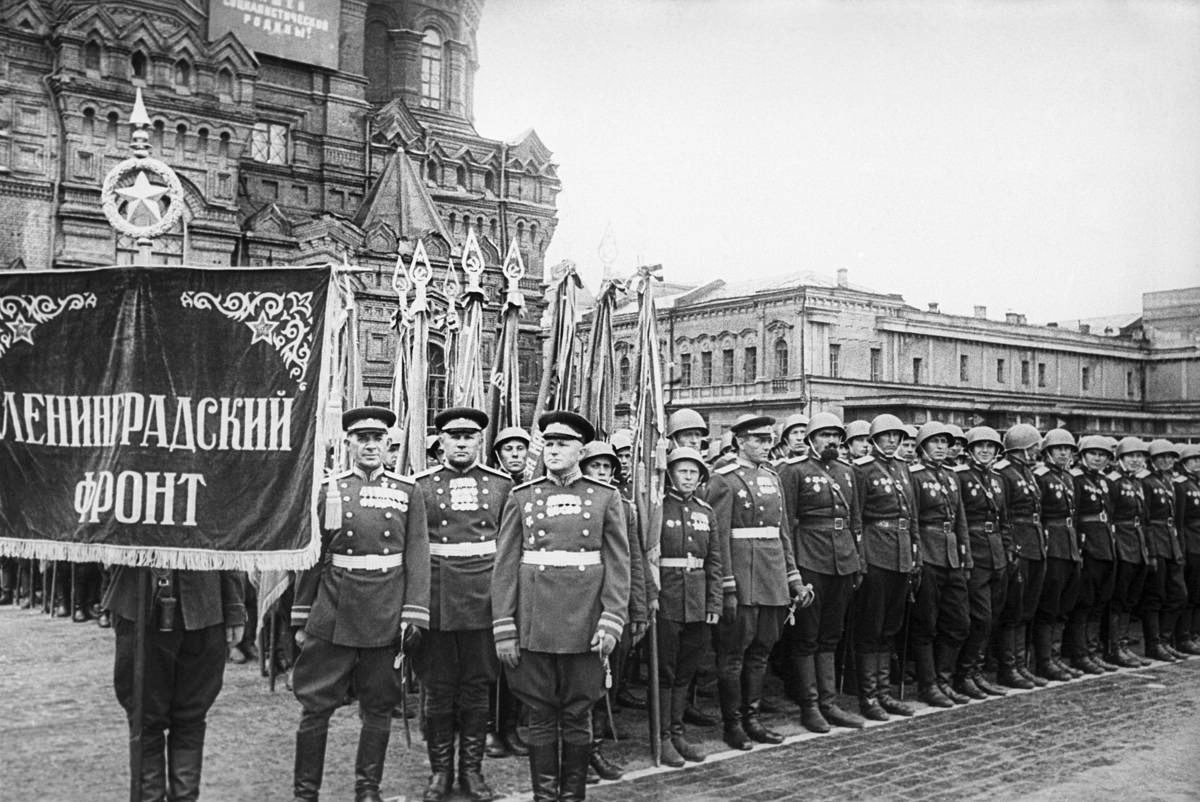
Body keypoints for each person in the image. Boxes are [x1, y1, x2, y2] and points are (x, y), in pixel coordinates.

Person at [290, 406, 431, 802]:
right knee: (315, 704)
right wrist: (302, 616)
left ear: (389, 444)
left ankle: (368, 789)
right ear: (348, 442)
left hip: (385, 611)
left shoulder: (407, 491)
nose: (370, 445)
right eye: (362, 438)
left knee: (379, 705)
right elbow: (312, 558)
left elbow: (417, 557)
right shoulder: (328, 489)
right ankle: (306, 792)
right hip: (334, 608)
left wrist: (413, 613)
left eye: (378, 439)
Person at [492, 411, 630, 802]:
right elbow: (504, 566)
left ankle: (573, 796)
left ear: (581, 450)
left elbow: (619, 565)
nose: (553, 450)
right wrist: (504, 625)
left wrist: (611, 619)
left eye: (563, 444)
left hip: (585, 623)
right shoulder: (523, 496)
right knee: (539, 713)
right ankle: (544, 795)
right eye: (549, 443)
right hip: (534, 622)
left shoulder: (605, 497)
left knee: (577, 712)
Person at [413, 407, 513, 802]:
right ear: (441, 441)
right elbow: (414, 552)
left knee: (475, 690)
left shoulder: (501, 486)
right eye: (453, 435)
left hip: (483, 602)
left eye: (469, 436)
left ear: (479, 441)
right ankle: (440, 773)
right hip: (437, 602)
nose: (461, 442)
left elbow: (508, 552)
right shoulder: (421, 486)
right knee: (437, 691)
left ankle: (472, 771)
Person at [707, 413, 813, 750]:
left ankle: (753, 719)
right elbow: (718, 538)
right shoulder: (723, 480)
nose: (766, 446)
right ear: (739, 441)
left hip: (770, 578)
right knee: (734, 654)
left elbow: (782, 533)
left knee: (762, 652)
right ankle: (733, 724)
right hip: (740, 575)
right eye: (758, 440)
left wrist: (792, 578)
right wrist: (726, 584)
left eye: (769, 439)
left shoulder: (772, 477)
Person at [104, 564, 245, 801]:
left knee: (191, 716)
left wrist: (234, 607)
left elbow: (229, 538)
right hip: (139, 602)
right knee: (144, 718)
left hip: (204, 605)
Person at [776, 412, 864, 733]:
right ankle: (810, 705)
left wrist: (858, 562)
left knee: (831, 634)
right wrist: (792, 572)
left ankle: (829, 702)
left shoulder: (847, 472)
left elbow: (855, 521)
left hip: (843, 559)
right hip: (809, 559)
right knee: (807, 637)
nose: (830, 440)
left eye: (835, 435)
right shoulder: (794, 471)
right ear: (811, 439)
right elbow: (786, 522)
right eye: (823, 435)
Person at [578, 440, 647, 781]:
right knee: (580, 684)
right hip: (579, 606)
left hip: (613, 606)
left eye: (607, 468)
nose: (602, 473)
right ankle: (577, 752)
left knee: (608, 682)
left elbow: (631, 560)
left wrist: (638, 610)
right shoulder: (572, 502)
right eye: (596, 467)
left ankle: (596, 747)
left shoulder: (625, 507)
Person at [653, 447, 722, 765]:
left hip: (697, 601)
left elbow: (715, 562)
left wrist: (714, 601)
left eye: (694, 472)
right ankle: (662, 737)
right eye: (682, 471)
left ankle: (678, 733)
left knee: (685, 672)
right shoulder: (657, 508)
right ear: (670, 474)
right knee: (664, 672)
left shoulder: (706, 512)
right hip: (666, 599)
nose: (688, 477)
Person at [851, 413, 920, 721]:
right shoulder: (862, 470)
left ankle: (884, 691)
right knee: (871, 627)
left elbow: (912, 516)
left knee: (890, 627)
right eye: (887, 436)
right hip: (876, 553)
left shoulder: (904, 468)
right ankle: (868, 696)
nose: (893, 440)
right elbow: (857, 518)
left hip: (902, 554)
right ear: (874, 439)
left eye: (897, 436)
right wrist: (861, 559)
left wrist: (915, 553)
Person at [907, 421, 972, 706]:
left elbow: (960, 521)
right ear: (922, 447)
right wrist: (916, 556)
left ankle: (944, 679)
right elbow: (911, 520)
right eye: (935, 442)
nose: (941, 447)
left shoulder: (951, 476)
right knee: (926, 623)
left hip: (951, 555)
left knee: (959, 621)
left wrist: (965, 556)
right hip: (928, 553)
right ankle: (928, 685)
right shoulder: (914, 476)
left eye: (945, 442)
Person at [952, 426, 1011, 698]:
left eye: (991, 446)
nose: (985, 451)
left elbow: (1004, 519)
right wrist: (964, 554)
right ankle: (963, 674)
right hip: (974, 551)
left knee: (993, 616)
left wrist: (1008, 550)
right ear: (970, 450)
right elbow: (956, 519)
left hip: (996, 552)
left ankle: (976, 671)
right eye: (980, 446)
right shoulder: (960, 476)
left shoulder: (998, 479)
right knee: (979, 617)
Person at [486, 425, 533, 760]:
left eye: (520, 449)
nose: (515, 455)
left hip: (526, 580)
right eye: (509, 449)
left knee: (517, 661)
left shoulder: (533, 488)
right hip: (494, 575)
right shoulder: (493, 488)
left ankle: (511, 727)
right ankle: (489, 728)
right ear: (498, 454)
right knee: (492, 661)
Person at [993, 423, 1047, 689]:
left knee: (1027, 608)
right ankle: (1008, 667)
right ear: (1023, 448)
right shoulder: (1004, 473)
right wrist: (1010, 547)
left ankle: (1020, 665)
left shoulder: (1027, 472)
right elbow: (1002, 514)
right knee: (1013, 609)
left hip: (1033, 543)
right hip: (1017, 545)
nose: (1038, 450)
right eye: (1034, 446)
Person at [1062, 435, 1119, 674]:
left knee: (1099, 601)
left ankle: (1093, 650)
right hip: (1087, 545)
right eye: (1094, 453)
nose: (1098, 458)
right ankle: (1080, 653)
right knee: (1083, 603)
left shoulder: (1104, 481)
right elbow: (1072, 517)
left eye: (1103, 455)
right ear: (1083, 455)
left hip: (1105, 544)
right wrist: (1079, 547)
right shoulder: (1075, 479)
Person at [1031, 429, 1084, 681]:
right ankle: (1044, 661)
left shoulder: (1069, 477)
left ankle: (1055, 656)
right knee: (1049, 605)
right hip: (1052, 545)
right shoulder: (1040, 477)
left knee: (1065, 603)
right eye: (1059, 448)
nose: (1064, 453)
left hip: (1069, 544)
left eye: (1068, 449)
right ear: (1047, 452)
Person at [1138, 439, 1189, 661]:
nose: (1166, 461)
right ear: (1152, 460)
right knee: (1155, 595)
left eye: (1170, 457)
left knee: (1178, 594)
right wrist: (1149, 549)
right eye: (1161, 457)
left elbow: (1176, 518)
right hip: (1155, 541)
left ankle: (1166, 639)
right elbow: (1145, 518)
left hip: (1171, 541)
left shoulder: (1169, 483)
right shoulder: (1146, 482)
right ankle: (1154, 643)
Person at [1105, 437, 1152, 667]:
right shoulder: (1112, 481)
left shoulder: (1136, 482)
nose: (1136, 460)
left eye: (1140, 456)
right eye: (1131, 456)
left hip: (1137, 541)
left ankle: (1122, 643)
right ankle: (1114, 648)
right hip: (1121, 543)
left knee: (1130, 597)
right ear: (1121, 458)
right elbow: (1109, 516)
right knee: (1119, 596)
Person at [1173, 443, 1200, 654]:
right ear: (1184, 463)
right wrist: (1181, 547)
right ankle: (1183, 636)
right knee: (1188, 592)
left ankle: (1194, 633)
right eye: (1194, 460)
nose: (1198, 464)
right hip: (1190, 542)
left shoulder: (1196, 484)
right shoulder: (1181, 485)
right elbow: (1179, 520)